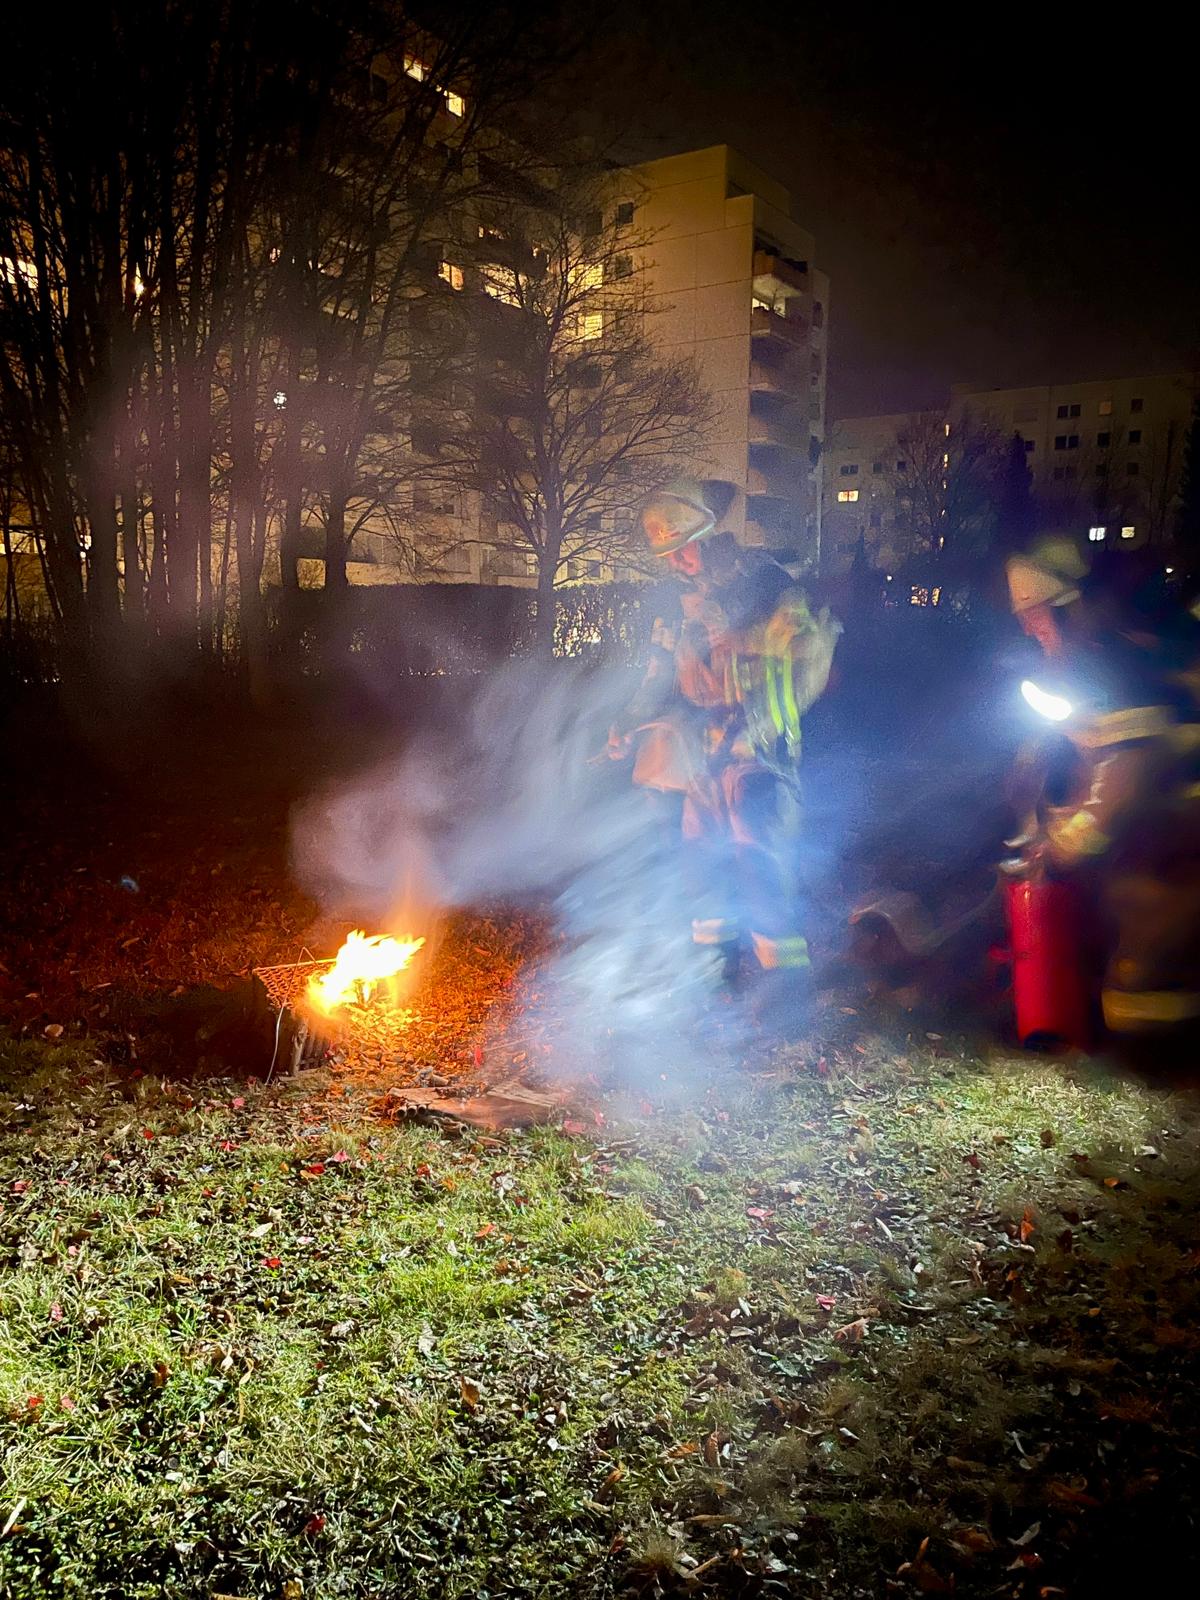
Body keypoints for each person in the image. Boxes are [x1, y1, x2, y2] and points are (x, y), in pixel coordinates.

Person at [609, 477, 841, 1026]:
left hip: (761, 751)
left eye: (683, 548)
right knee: (701, 864)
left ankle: (785, 993)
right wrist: (628, 721)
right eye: (667, 554)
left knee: (759, 862)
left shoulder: (764, 582)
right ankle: (717, 976)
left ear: (711, 538)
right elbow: (660, 672)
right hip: (705, 756)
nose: (677, 563)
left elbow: (810, 647)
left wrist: (747, 637)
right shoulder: (678, 602)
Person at [1006, 536, 1200, 1058]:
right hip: (1153, 827)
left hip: (1174, 833)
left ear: (1067, 609)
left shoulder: (1114, 667)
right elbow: (1067, 753)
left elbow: (1124, 776)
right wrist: (1037, 819)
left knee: (1142, 969)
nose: (1028, 626)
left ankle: (1162, 1046)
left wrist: (1067, 838)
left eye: (1036, 613)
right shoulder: (1085, 662)